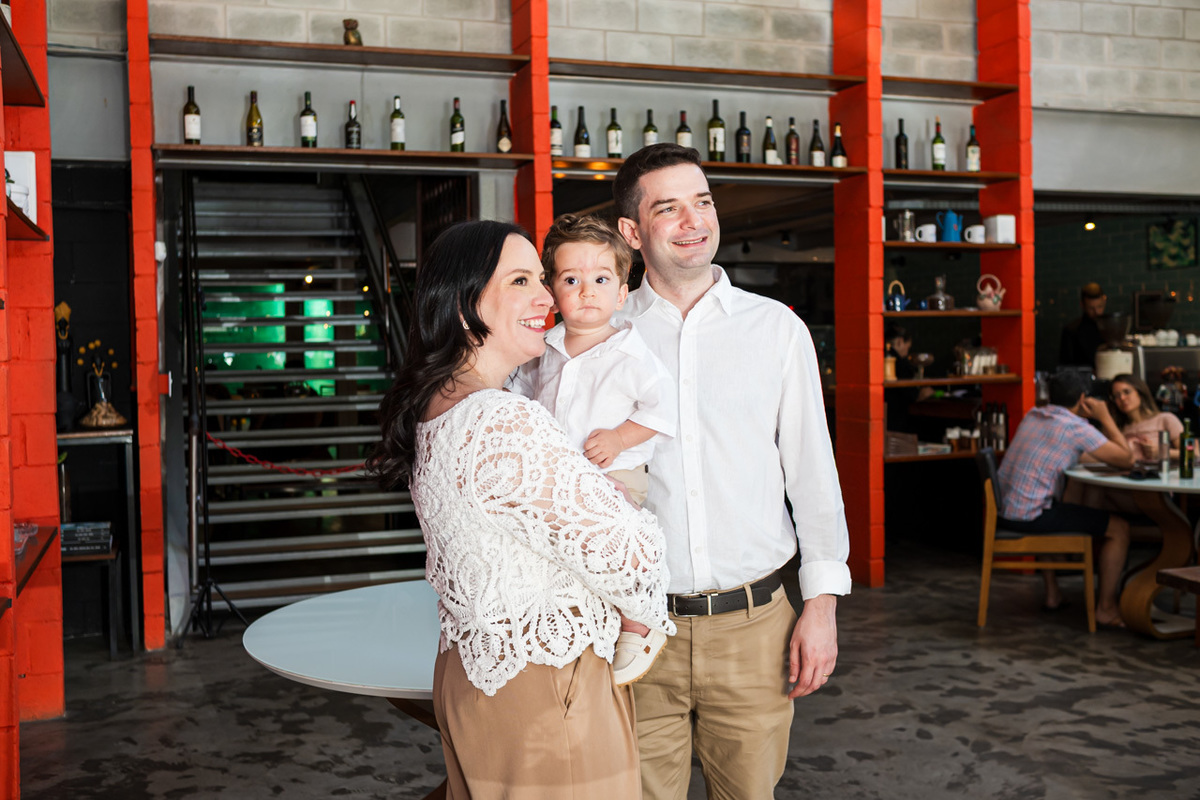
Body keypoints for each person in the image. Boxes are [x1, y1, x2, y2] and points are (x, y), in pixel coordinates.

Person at [371, 220, 675, 798]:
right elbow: (631, 557)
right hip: (545, 688)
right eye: (520, 280)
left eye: (541, 278)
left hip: (479, 674)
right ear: (464, 308)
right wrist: (621, 508)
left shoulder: (443, 406)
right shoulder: (503, 419)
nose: (546, 297)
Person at [611, 142, 851, 798]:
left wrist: (822, 604)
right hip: (634, 630)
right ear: (633, 232)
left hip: (755, 628)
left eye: (703, 202)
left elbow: (813, 475)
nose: (694, 220)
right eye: (669, 208)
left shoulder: (775, 330)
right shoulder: (602, 334)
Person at [511, 212, 678, 685]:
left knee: (610, 544)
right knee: (558, 551)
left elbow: (663, 411)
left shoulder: (631, 353)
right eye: (571, 278)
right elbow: (521, 394)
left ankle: (638, 621)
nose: (587, 291)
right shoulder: (542, 347)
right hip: (559, 479)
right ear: (552, 291)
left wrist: (621, 437)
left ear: (622, 292)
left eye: (601, 279)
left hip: (613, 477)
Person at [996, 370, 1133, 627]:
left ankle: (1053, 595)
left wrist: (1104, 452)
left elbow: (1075, 454)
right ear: (1084, 399)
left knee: (1054, 504)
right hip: (1031, 517)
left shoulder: (1034, 415)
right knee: (1119, 528)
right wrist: (1105, 419)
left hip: (1006, 512)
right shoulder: (1076, 427)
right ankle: (1105, 608)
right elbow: (1127, 460)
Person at [1109, 373, 1183, 461]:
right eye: (1117, 396)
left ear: (1140, 393)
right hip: (1131, 474)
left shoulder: (1165, 419)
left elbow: (1192, 453)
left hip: (1163, 473)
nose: (1122, 398)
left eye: (1127, 392)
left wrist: (1162, 451)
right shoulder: (1118, 428)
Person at [884, 323, 934, 432]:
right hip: (896, 422)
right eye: (907, 348)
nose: (907, 353)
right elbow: (912, 395)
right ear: (900, 341)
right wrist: (926, 393)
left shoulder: (879, 355)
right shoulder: (899, 363)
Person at [1059, 282, 1107, 368]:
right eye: (1091, 308)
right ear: (1082, 305)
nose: (1096, 312)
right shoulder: (1071, 330)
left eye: (1100, 306)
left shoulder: (1111, 327)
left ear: (1104, 300)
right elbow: (1066, 366)